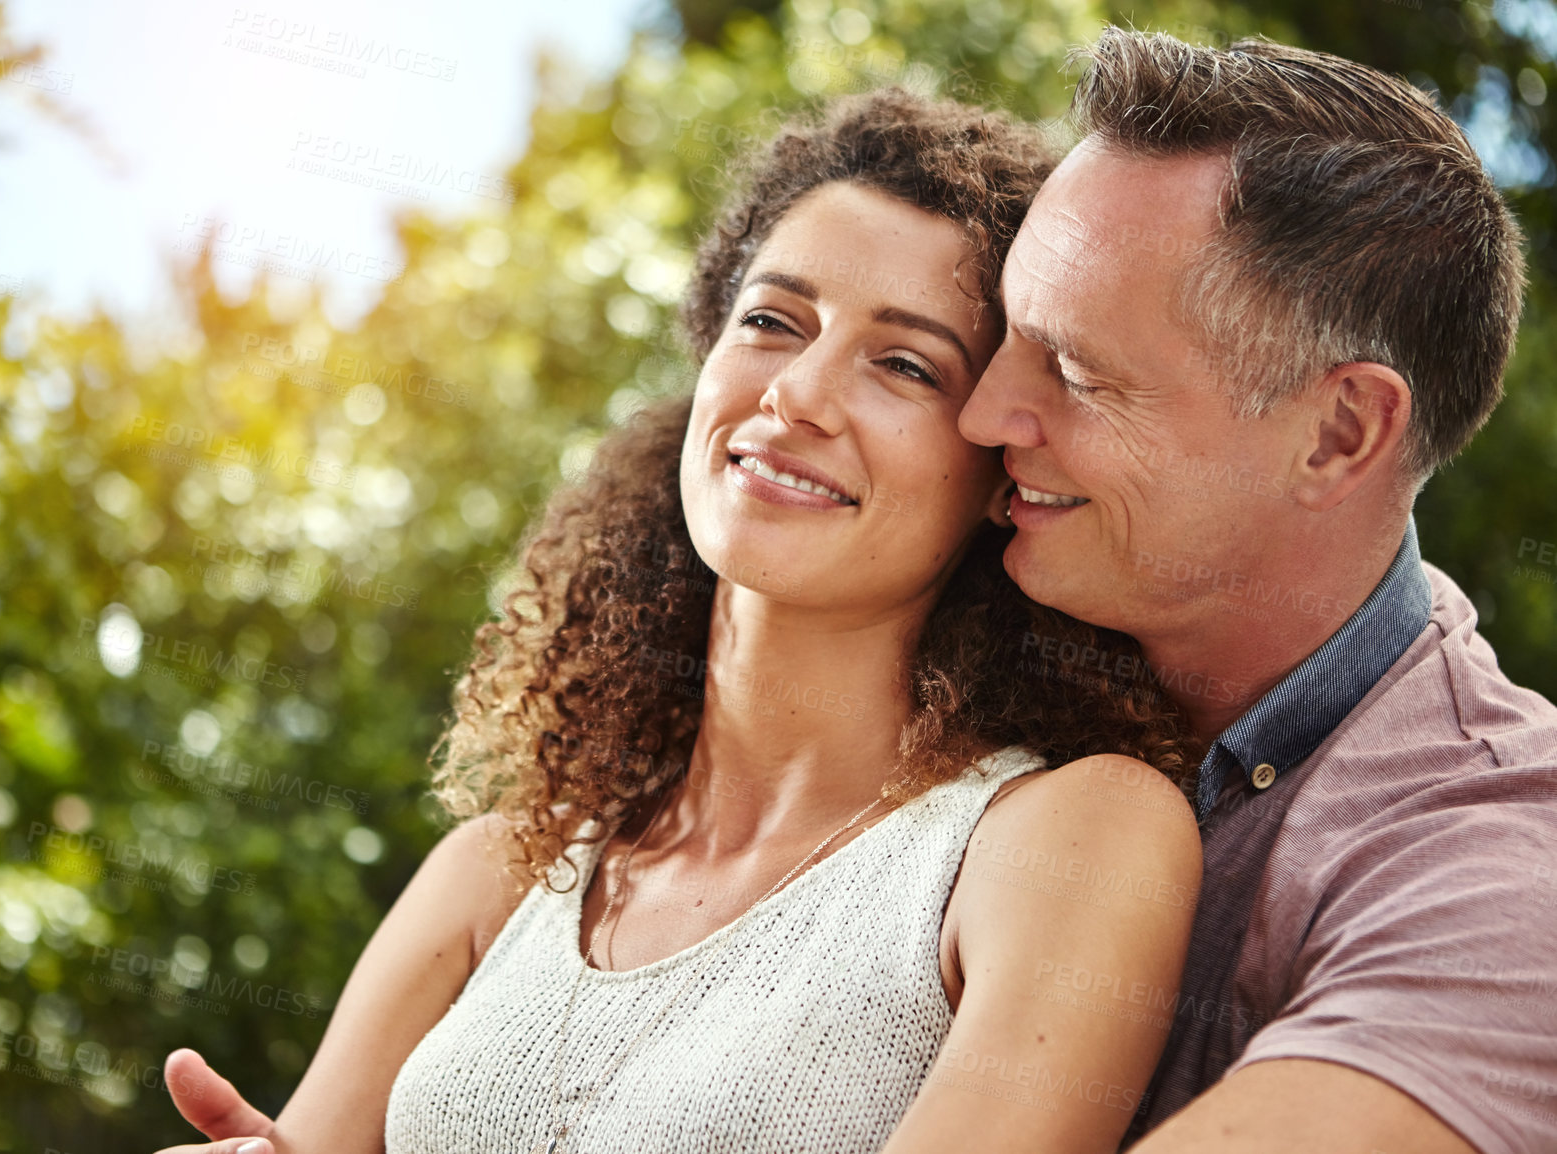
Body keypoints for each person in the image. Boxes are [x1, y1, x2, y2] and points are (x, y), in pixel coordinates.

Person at [153, 89, 1203, 1154]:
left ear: (1001, 462)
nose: (795, 393)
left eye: (904, 364)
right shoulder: (498, 872)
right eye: (771, 321)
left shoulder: (1066, 840)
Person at [958, 27, 1557, 1154]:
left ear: (1337, 434)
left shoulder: (1501, 881)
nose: (983, 416)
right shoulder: (957, 628)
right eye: (1004, 336)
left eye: (1076, 373)